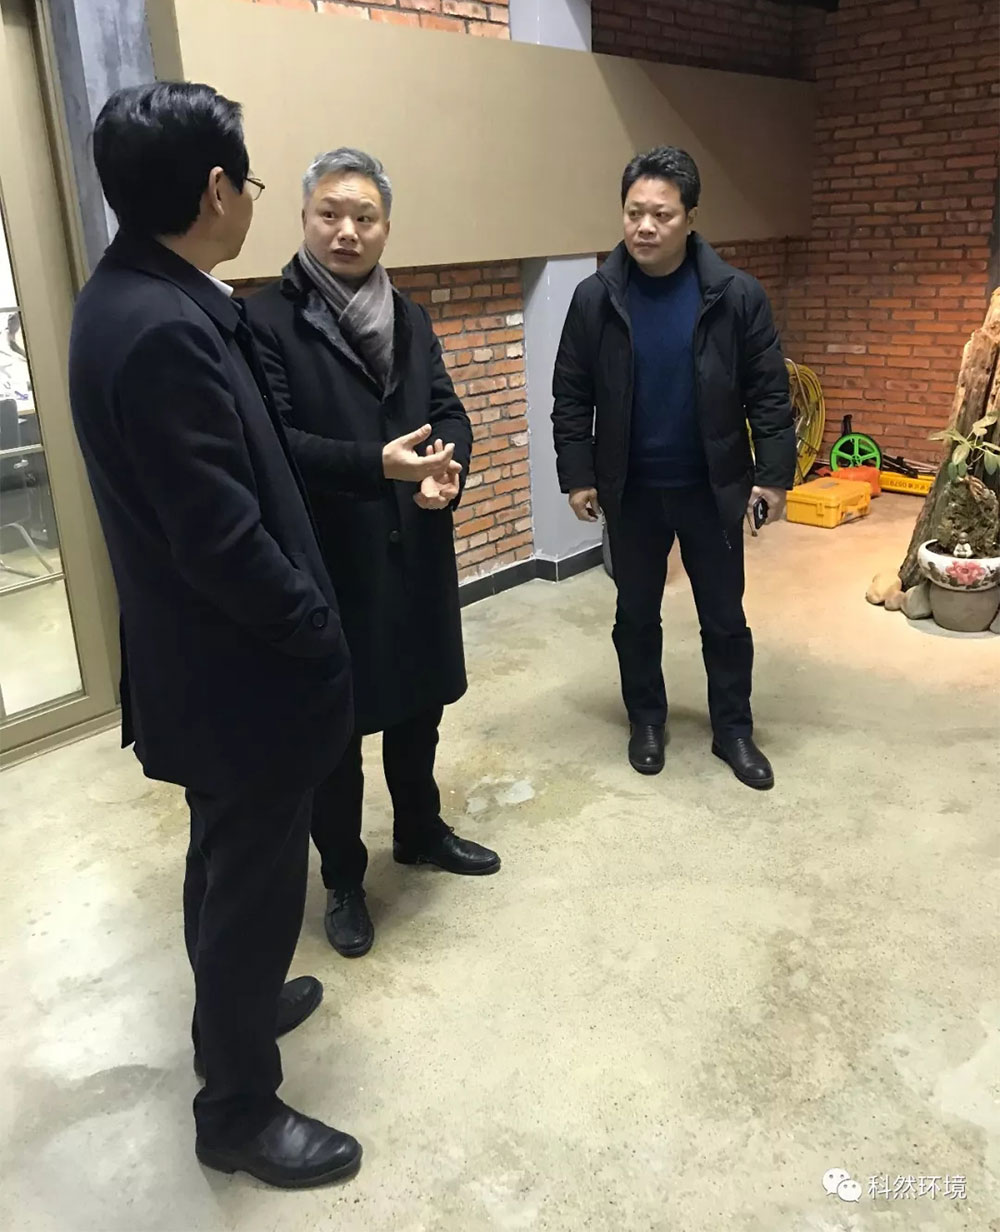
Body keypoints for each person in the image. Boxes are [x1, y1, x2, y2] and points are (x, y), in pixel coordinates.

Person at [67, 85, 454, 1188]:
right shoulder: (161, 329)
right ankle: (235, 1110)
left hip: (213, 666)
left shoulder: (144, 295)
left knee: (224, 865)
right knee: (251, 883)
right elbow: (221, 538)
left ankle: (232, 1011)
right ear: (215, 190)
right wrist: (315, 632)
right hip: (239, 675)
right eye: (251, 180)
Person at [245, 148, 500, 960]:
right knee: (336, 731)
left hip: (414, 544)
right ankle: (344, 879)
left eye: (365, 217)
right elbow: (275, 443)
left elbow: (447, 410)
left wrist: (448, 469)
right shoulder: (267, 320)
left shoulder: (408, 315)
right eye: (330, 214)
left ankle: (419, 831)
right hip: (330, 556)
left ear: (387, 227)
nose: (346, 231)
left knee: (419, 707)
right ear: (305, 218)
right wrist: (377, 466)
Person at [552, 147, 795, 790]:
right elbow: (571, 393)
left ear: (690, 217)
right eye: (634, 212)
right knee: (635, 615)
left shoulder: (735, 295)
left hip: (711, 488)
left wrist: (773, 476)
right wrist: (578, 474)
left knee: (724, 617)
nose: (645, 226)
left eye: (661, 214)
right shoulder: (594, 299)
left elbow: (769, 395)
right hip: (630, 490)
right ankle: (647, 721)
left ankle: (733, 730)